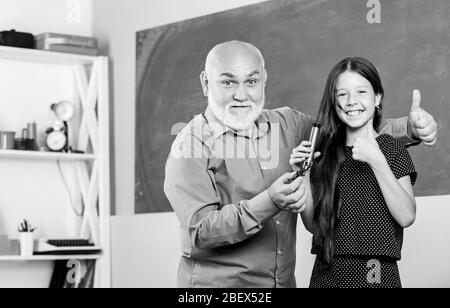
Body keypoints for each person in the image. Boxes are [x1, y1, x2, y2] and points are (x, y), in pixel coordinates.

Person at [164, 41, 438, 288]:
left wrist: (409, 129)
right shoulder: (189, 145)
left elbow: (349, 133)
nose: (241, 94)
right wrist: (270, 200)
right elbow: (199, 232)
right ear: (205, 83)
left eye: (251, 81)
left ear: (264, 80)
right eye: (227, 82)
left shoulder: (288, 125)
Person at [290, 57, 417, 288]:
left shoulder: (391, 148)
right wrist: (304, 174)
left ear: (377, 97)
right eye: (342, 94)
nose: (351, 101)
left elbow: (407, 216)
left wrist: (377, 160)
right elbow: (313, 225)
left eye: (361, 91)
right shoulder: (324, 153)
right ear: (334, 101)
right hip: (327, 274)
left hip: (378, 272)